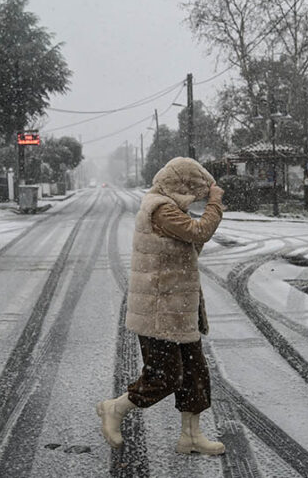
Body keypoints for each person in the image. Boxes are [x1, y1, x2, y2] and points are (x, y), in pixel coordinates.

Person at [97, 156, 225, 455]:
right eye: (194, 191)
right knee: (164, 376)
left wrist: (205, 214)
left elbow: (191, 245)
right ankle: (115, 408)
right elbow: (198, 232)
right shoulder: (160, 208)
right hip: (159, 312)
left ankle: (190, 437)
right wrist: (215, 204)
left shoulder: (170, 209)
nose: (197, 197)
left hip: (180, 309)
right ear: (180, 185)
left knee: (195, 375)